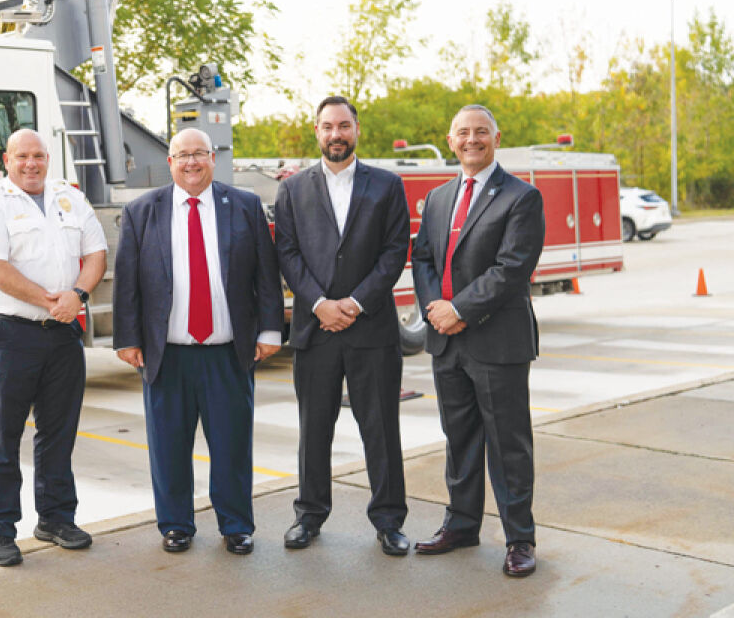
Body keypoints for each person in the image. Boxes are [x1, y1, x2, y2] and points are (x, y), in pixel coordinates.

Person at [113, 127, 284, 556]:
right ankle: (175, 525)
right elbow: (127, 282)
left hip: (228, 352)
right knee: (169, 446)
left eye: (199, 154)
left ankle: (236, 525)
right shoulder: (142, 212)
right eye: (182, 155)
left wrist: (269, 330)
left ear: (213, 158)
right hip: (166, 353)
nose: (191, 162)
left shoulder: (244, 205)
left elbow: (266, 274)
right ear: (169, 163)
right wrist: (127, 338)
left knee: (231, 445)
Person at [410, 105, 545, 578]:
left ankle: (519, 539)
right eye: (463, 133)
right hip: (447, 341)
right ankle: (462, 524)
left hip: (497, 341)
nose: (472, 140)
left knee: (508, 445)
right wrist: (436, 310)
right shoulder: (439, 197)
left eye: (481, 132)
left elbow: (512, 269)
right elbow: (422, 258)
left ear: (496, 137)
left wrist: (460, 310)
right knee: (460, 439)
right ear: (451, 141)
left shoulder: (521, 197)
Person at [273, 95, 411, 555]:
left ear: (357, 129)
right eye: (328, 126)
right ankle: (309, 515)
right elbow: (287, 255)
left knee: (381, 428)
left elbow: (395, 252)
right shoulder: (292, 190)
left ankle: (389, 520)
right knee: (315, 428)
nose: (336, 134)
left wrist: (353, 302)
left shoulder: (387, 186)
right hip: (316, 330)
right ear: (317, 132)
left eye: (344, 126)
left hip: (371, 328)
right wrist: (318, 304)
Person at [0, 128, 108, 567]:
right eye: (22, 156)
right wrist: (49, 300)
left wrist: (77, 296)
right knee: (4, 435)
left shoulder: (70, 198)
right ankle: (1, 529)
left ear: (49, 159)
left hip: (62, 333)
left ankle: (57, 518)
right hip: (10, 334)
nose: (32, 164)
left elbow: (97, 253)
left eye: (39, 156)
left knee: (59, 432)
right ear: (7, 160)